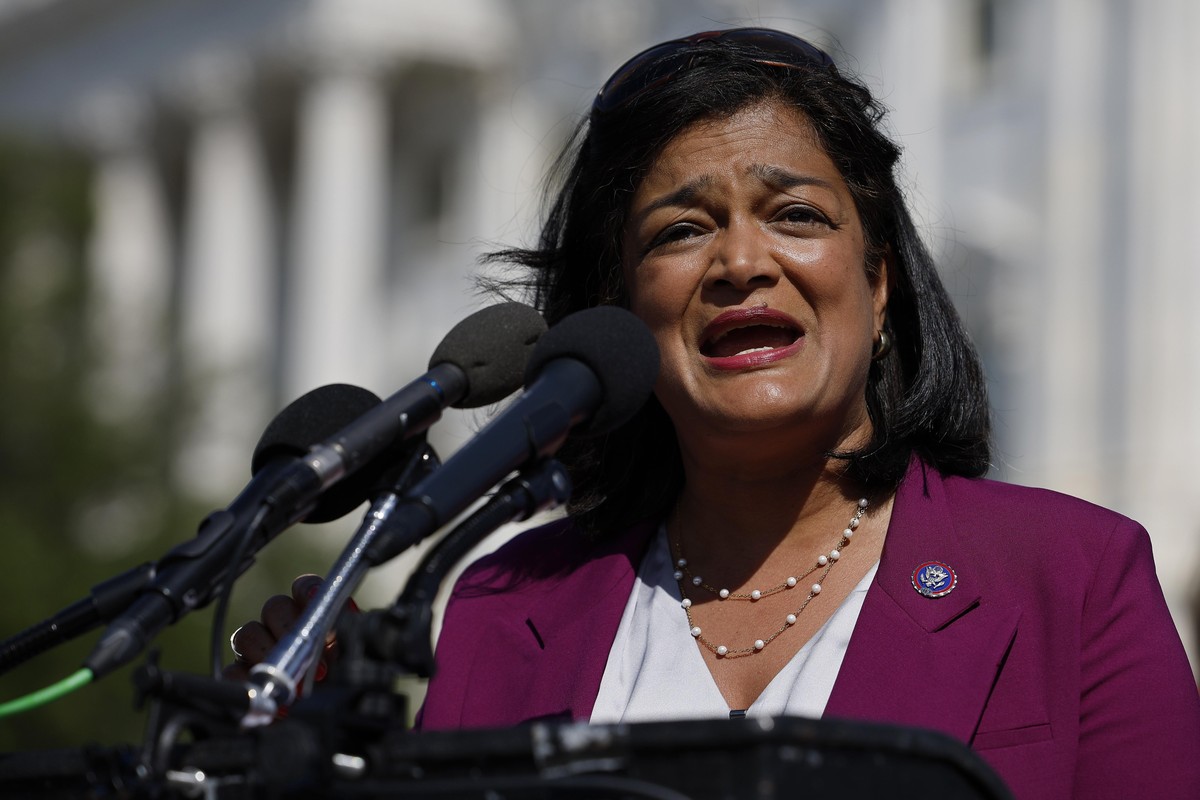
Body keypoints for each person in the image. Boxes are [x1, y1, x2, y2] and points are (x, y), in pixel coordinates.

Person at [230, 28, 1200, 799]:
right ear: (618, 309)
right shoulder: (501, 602)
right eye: (683, 230)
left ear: (879, 281)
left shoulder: (1072, 576)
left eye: (797, 215)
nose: (742, 262)